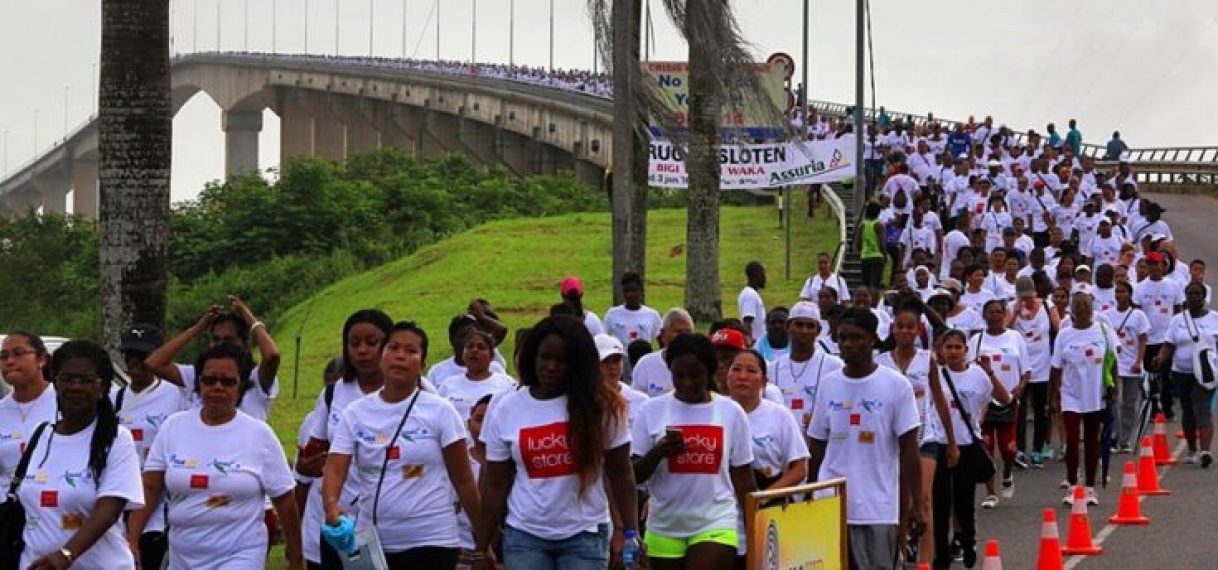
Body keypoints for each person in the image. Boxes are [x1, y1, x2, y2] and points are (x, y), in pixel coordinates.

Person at [476, 316, 639, 569]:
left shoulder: (602, 407)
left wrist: (630, 532)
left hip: (585, 535)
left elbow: (621, 474)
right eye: (545, 358)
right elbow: (495, 483)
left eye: (561, 361)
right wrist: (481, 546)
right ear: (532, 357)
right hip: (525, 537)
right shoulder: (506, 408)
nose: (551, 367)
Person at [129, 342, 304, 569]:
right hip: (183, 556)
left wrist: (296, 556)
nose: (218, 387)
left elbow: (285, 500)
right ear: (198, 384)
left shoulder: (259, 434)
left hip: (240, 555)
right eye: (209, 380)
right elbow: (150, 488)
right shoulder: (173, 427)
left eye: (228, 381)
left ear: (241, 386)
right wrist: (132, 540)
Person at [322, 321, 483, 568]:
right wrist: (331, 504)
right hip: (371, 542)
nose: (400, 356)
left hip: (432, 542)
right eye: (393, 348)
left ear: (422, 364)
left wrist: (483, 538)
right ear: (382, 356)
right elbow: (335, 467)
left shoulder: (441, 411)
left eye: (411, 351)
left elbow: (463, 480)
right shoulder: (355, 413)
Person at [807, 308, 924, 570]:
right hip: (831, 505)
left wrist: (917, 505)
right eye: (842, 338)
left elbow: (909, 449)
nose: (847, 344)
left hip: (877, 509)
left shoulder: (896, 385)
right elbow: (817, 446)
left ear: (872, 339)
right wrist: (808, 494)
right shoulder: (828, 384)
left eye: (856, 337)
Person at [15, 340, 144, 570]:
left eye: (86, 380)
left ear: (102, 388)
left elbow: (109, 510)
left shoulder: (117, 439)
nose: (75, 387)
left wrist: (66, 555)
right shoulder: (40, 436)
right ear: (55, 383)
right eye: (67, 378)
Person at [632, 333, 756, 570]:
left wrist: (755, 525)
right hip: (663, 525)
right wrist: (658, 453)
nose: (687, 383)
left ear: (710, 372)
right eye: (679, 375)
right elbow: (633, 475)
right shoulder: (650, 410)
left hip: (716, 522)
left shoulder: (731, 411)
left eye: (695, 375)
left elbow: (743, 477)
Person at [297, 309, 393, 569]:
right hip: (342, 521)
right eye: (354, 343)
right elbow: (311, 452)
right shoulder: (332, 395)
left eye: (371, 342)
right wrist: (309, 465)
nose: (362, 351)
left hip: (394, 520)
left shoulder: (416, 391)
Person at [925, 329, 1010, 570]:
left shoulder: (977, 376)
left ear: (966, 350)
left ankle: (967, 541)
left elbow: (1004, 399)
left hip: (967, 444)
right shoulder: (935, 375)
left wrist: (990, 372)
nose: (953, 352)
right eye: (948, 347)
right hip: (939, 443)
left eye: (957, 347)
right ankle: (942, 556)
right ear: (941, 350)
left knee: (964, 501)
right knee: (940, 502)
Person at [876, 305, 955, 566]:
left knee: (924, 500)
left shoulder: (926, 359)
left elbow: (940, 400)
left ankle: (925, 562)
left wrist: (951, 441)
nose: (905, 331)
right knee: (901, 503)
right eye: (901, 326)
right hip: (893, 441)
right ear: (893, 329)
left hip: (924, 437)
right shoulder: (881, 362)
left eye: (910, 327)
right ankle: (899, 555)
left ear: (918, 330)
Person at [110, 325, 186, 570]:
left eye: (142, 355)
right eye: (130, 354)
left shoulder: (177, 395)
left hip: (160, 508)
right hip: (122, 503)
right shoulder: (114, 399)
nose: (135, 362)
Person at [726, 349, 810, 568]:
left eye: (751, 371)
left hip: (768, 511)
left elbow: (799, 468)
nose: (742, 376)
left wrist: (761, 498)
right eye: (736, 369)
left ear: (764, 381)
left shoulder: (779, 415)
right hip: (723, 515)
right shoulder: (717, 412)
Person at [145, 296, 281, 421]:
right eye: (216, 339)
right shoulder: (198, 375)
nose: (221, 345)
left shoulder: (256, 378)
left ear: (244, 345)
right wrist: (196, 330)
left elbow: (272, 355)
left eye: (229, 340)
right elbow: (154, 363)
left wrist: (249, 317)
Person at [1050, 292, 1120, 506]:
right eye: (1078, 305)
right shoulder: (1064, 335)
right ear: (1071, 309)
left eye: (1086, 305)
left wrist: (1114, 387)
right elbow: (1056, 368)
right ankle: (1072, 484)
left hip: (1095, 394)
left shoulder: (1103, 330)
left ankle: (1090, 488)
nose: (1082, 308)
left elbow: (1112, 361)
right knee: (1072, 441)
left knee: (1092, 441)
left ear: (1092, 308)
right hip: (1071, 395)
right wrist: (1052, 397)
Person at [968, 300, 1030, 508]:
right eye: (990, 312)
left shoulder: (1015, 338)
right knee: (986, 446)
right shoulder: (976, 340)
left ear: (1005, 314)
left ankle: (1007, 473)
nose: (994, 316)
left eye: (998, 312)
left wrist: (1020, 387)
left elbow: (1026, 370)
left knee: (1008, 448)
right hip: (984, 401)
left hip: (1009, 400)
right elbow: (969, 369)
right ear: (984, 315)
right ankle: (991, 492)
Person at [1154, 282, 1218, 467]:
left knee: (1202, 408)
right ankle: (1191, 449)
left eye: (1197, 293)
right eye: (1190, 293)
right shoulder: (1177, 320)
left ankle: (1205, 451)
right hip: (1181, 372)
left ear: (1204, 297)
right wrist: (1160, 359)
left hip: (1204, 373)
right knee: (1188, 410)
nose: (1193, 297)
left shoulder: (1214, 319)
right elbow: (1169, 344)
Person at [1008, 276, 1059, 468]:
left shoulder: (1047, 306)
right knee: (1019, 412)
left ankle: (1038, 449)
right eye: (1023, 298)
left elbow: (1059, 329)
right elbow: (1004, 331)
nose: (1027, 301)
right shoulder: (1012, 307)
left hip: (1043, 367)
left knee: (1041, 411)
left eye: (1029, 297)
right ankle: (1020, 449)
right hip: (1021, 368)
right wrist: (1015, 313)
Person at [770, 301, 844, 429]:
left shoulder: (833, 365)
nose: (804, 331)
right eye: (799, 325)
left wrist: (820, 420)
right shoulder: (773, 368)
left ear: (818, 331)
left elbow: (842, 407)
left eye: (810, 326)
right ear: (788, 327)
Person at [0, 332, 56, 490]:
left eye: (18, 353)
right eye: (3, 356)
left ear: (41, 359)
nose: (10, 361)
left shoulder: (65, 403)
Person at [1133, 251, 1184, 419]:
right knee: (1150, 376)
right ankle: (1153, 408)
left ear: (1163, 266)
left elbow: (1178, 311)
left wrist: (1177, 334)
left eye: (1156, 264)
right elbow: (1137, 314)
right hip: (1148, 340)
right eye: (1150, 264)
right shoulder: (1139, 288)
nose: (1153, 267)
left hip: (1166, 340)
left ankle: (1167, 407)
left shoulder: (1174, 286)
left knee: (1166, 376)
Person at [1104, 281, 1150, 453]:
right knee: (1115, 402)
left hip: (1132, 366)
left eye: (1123, 291)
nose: (1119, 295)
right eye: (1117, 291)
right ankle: (1113, 437)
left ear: (1130, 294)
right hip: (1115, 366)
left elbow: (1143, 339)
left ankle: (1125, 440)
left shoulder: (1138, 315)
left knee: (1130, 404)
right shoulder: (1107, 315)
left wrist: (1139, 361)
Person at [438, 327, 518, 421]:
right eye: (469, 346)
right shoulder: (447, 385)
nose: (474, 351)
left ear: (491, 356)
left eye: (481, 347)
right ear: (463, 354)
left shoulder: (507, 384)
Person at [426, 314, 508, 387]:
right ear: (452, 340)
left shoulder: (494, 368)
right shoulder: (437, 372)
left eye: (473, 336)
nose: (469, 341)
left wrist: (481, 316)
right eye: (464, 336)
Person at [632, 308, 695, 397]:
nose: (684, 337)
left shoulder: (700, 365)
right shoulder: (645, 365)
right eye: (678, 332)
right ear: (663, 334)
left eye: (688, 332)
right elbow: (636, 400)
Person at [603, 272, 664, 349]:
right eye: (626, 291)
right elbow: (603, 339)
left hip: (643, 356)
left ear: (641, 291)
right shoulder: (612, 314)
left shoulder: (652, 315)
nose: (629, 294)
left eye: (633, 290)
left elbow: (662, 342)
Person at [858, 201, 887, 292]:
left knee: (866, 285)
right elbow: (882, 243)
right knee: (875, 285)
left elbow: (858, 244)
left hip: (865, 256)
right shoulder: (879, 225)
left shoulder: (862, 225)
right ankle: (874, 300)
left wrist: (863, 250)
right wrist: (885, 255)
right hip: (877, 257)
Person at [737, 261, 768, 341]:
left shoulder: (752, 293)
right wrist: (750, 344)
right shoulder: (750, 295)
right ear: (756, 275)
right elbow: (747, 323)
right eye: (763, 275)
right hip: (755, 343)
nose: (765, 279)